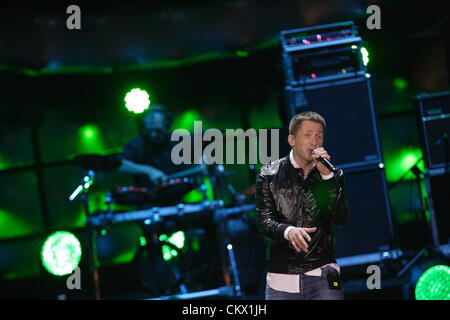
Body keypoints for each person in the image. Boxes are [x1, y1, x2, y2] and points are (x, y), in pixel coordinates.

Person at [256, 111, 349, 300]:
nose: (314, 142)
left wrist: (327, 178)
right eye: (307, 135)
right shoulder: (269, 174)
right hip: (282, 275)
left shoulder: (333, 175)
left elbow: (341, 219)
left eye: (319, 136)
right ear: (292, 140)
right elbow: (263, 222)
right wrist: (288, 231)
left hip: (325, 270)